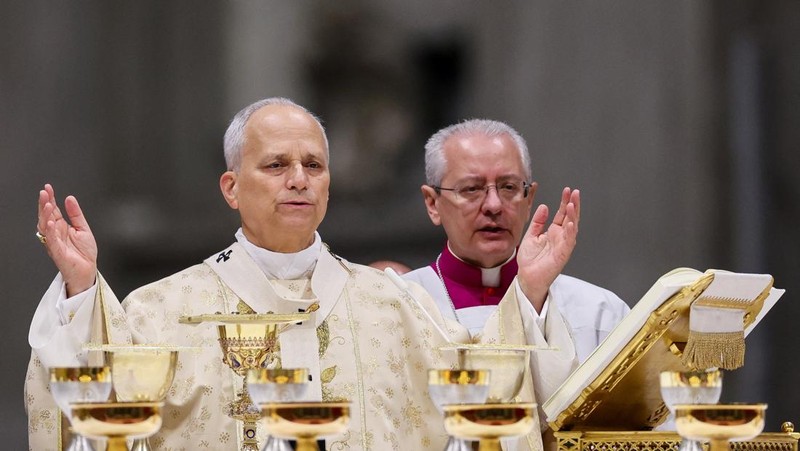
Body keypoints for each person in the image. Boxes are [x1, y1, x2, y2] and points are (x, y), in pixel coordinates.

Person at [25, 99, 555, 450]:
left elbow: (490, 407)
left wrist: (527, 289)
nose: (298, 180)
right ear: (231, 188)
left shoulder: (394, 307)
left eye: (314, 166)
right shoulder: (159, 312)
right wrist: (81, 289)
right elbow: (93, 421)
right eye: (276, 165)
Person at [404, 119, 630, 395]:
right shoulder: (399, 306)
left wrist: (533, 291)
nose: (494, 205)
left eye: (509, 187)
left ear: (529, 198)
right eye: (471, 189)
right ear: (432, 203)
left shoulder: (599, 313)